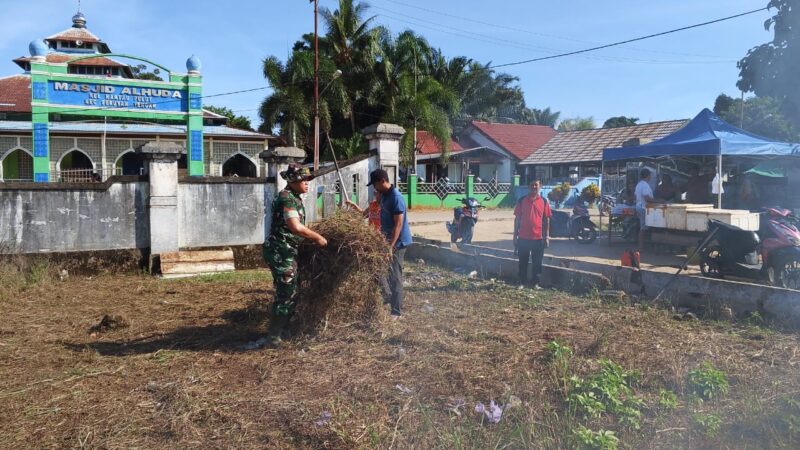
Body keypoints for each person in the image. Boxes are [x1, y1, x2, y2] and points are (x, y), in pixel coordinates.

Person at [262, 164, 328, 347]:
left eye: (307, 179)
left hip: (288, 250)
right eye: (303, 179)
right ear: (292, 181)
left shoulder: (295, 198)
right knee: (286, 291)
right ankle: (273, 337)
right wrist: (318, 238)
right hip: (280, 251)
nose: (307, 183)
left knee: (292, 289)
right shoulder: (286, 199)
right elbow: (295, 227)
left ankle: (284, 329)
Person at [367, 169, 412, 317]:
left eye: (375, 185)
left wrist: (390, 246)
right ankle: (386, 295)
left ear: (382, 181)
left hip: (397, 243)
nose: (375, 189)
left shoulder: (396, 197)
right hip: (386, 241)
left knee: (395, 276)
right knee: (376, 269)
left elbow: (398, 225)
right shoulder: (384, 196)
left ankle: (396, 312)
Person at [514, 180, 551, 289]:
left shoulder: (544, 201)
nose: (534, 187)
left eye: (536, 185)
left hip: (538, 238)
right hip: (523, 237)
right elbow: (517, 219)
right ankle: (522, 282)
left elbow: (547, 220)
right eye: (531, 184)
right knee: (523, 262)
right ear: (528, 186)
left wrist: (547, 236)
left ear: (540, 186)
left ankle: (535, 283)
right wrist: (514, 236)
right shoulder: (521, 201)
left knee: (537, 262)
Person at [634, 169, 655, 251]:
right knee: (643, 228)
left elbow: (636, 196)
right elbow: (646, 197)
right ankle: (640, 246)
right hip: (643, 207)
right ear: (648, 176)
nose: (650, 177)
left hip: (639, 206)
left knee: (643, 227)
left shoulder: (639, 184)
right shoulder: (645, 185)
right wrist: (657, 200)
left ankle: (642, 245)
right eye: (650, 175)